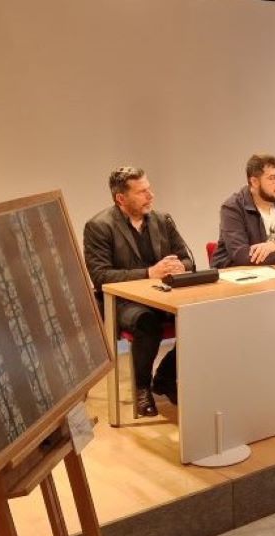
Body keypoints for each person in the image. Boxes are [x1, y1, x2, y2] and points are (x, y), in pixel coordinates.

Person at [84, 166, 193, 418]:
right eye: (142, 192)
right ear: (121, 198)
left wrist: (181, 266)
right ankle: (142, 387)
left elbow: (188, 259)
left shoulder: (163, 220)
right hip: (122, 302)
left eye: (149, 189)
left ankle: (165, 377)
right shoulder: (99, 226)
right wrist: (148, 273)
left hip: (163, 295)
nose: (150, 196)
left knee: (199, 316)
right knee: (147, 322)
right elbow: (100, 276)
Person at [212, 154, 275, 268]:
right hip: (238, 273)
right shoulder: (233, 208)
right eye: (273, 178)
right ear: (254, 182)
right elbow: (242, 256)